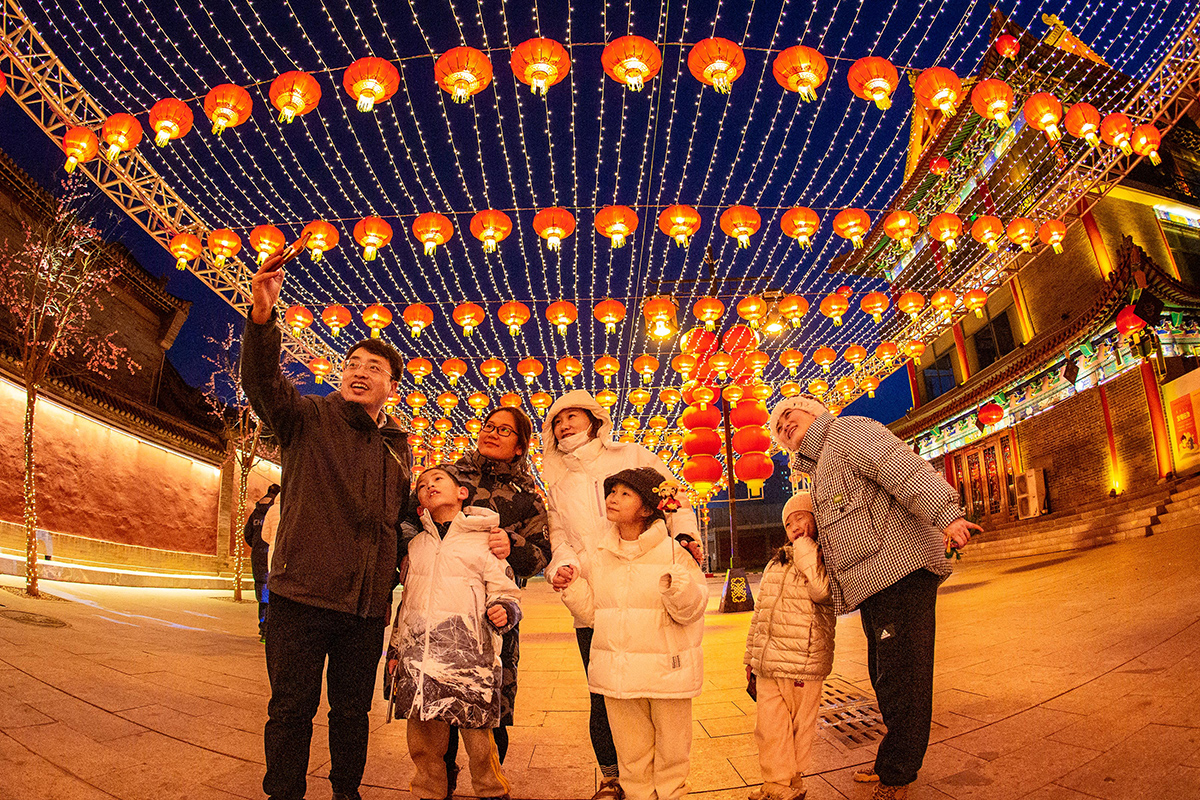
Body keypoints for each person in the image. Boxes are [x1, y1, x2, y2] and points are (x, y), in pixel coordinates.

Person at [242, 240, 411, 800]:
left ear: (392, 387)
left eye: (375, 369)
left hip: (365, 609)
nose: (360, 373)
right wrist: (263, 318)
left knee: (351, 713)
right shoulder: (308, 418)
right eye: (353, 365)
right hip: (302, 596)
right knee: (290, 708)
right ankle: (283, 793)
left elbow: (400, 523)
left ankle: (346, 791)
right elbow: (264, 386)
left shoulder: (397, 450)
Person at [768, 395, 981, 800]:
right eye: (778, 429)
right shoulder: (822, 464)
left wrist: (946, 515)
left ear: (814, 412)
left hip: (899, 569)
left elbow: (903, 470)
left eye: (788, 417)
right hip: (874, 583)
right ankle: (891, 761)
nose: (784, 428)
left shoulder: (848, 432)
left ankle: (899, 775)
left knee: (904, 676)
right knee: (886, 675)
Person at [541, 390, 703, 800]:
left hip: (651, 576)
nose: (564, 426)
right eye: (557, 420)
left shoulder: (631, 454)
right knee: (605, 692)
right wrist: (566, 569)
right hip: (597, 592)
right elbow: (560, 535)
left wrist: (684, 537)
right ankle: (615, 779)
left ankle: (667, 785)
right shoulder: (558, 479)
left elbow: (673, 496)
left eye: (572, 416)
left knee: (661, 700)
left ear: (595, 420)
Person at [561, 467, 707, 800]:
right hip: (619, 675)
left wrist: (678, 588)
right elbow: (594, 615)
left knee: (672, 755)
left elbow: (691, 610)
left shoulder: (674, 553)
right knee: (631, 756)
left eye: (625, 493)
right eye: (612, 491)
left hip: (666, 674)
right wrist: (571, 589)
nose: (613, 498)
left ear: (646, 508)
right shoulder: (600, 554)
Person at [389, 465, 522, 800]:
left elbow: (506, 589)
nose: (429, 486)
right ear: (418, 501)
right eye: (421, 485)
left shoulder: (484, 542)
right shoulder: (416, 545)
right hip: (419, 658)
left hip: (468, 658)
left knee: (479, 739)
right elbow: (406, 603)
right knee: (422, 739)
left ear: (462, 493)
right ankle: (429, 790)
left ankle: (492, 790)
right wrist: (395, 651)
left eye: (438, 481)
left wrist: (504, 609)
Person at [439, 405, 550, 789]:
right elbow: (414, 518)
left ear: (520, 447)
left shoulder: (527, 498)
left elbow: (540, 556)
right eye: (489, 426)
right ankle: (441, 780)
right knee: (440, 701)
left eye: (504, 431)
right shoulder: (448, 477)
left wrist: (512, 541)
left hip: (494, 616)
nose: (492, 433)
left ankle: (491, 784)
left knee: (493, 703)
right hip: (440, 611)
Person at [743, 491, 834, 800]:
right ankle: (776, 785)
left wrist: (806, 548)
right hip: (769, 663)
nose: (794, 526)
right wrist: (750, 658)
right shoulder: (776, 563)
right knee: (769, 728)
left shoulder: (824, 558)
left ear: (817, 519)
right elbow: (760, 613)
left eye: (801, 518)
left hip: (803, 662)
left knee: (799, 728)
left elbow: (822, 591)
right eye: (788, 522)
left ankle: (790, 783)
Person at [244, 484, 281, 640]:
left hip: (258, 555)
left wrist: (257, 546)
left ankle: (263, 626)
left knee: (262, 590)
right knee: (275, 591)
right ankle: (270, 627)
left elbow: (248, 534)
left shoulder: (256, 512)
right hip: (275, 555)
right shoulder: (280, 510)